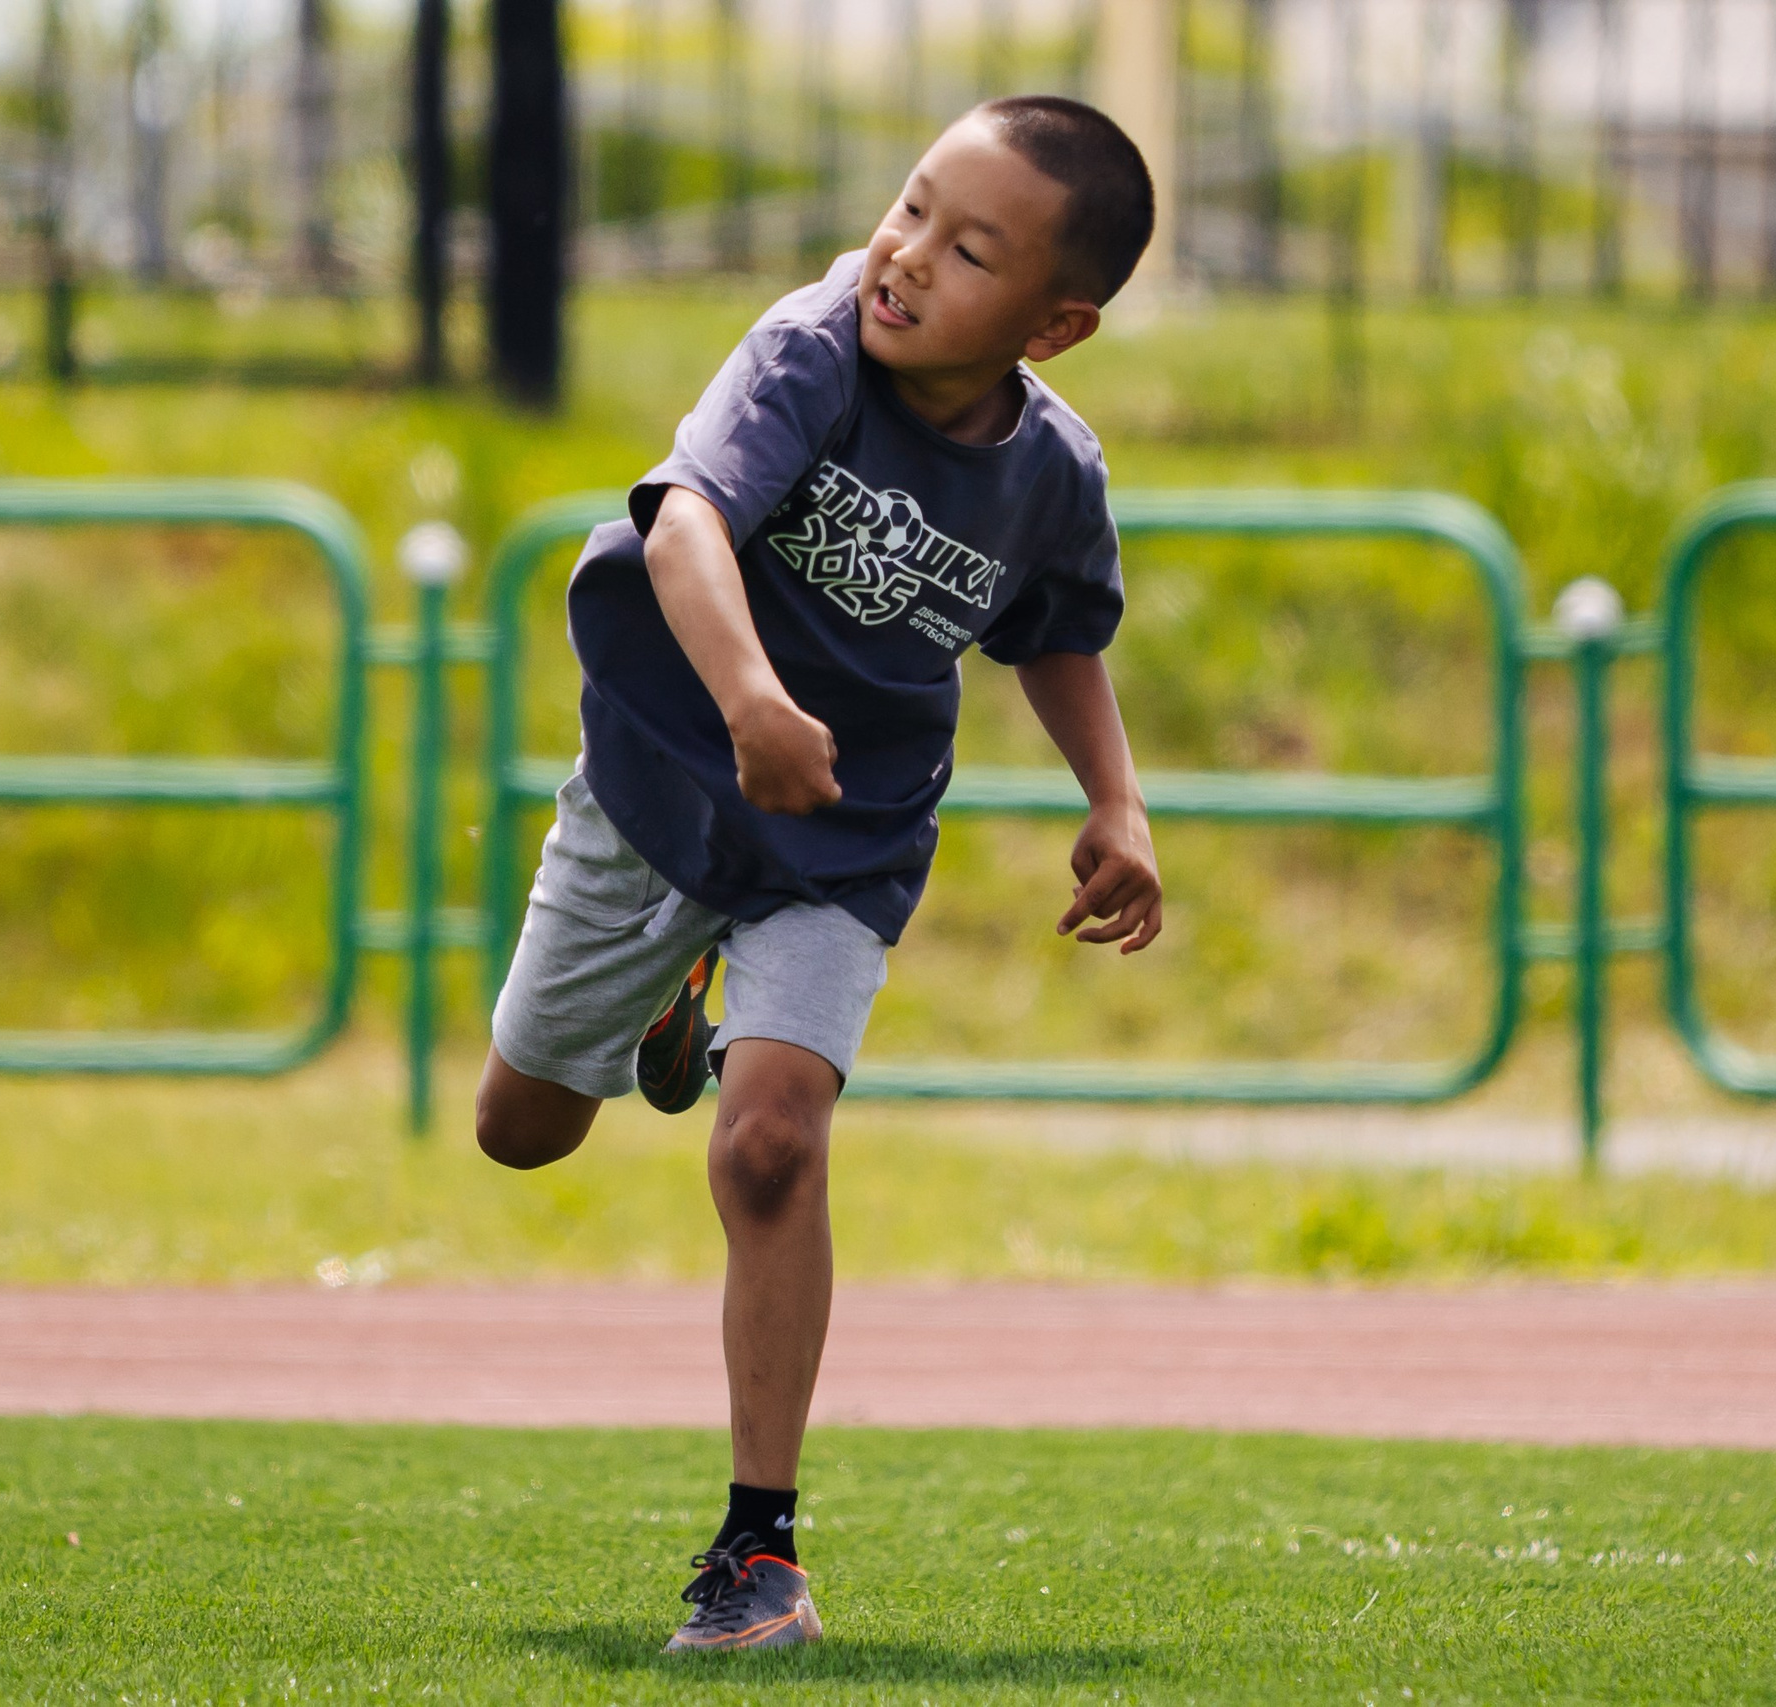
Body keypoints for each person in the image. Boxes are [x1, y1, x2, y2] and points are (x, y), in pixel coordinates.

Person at [474, 94, 1164, 1653]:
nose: (907, 256)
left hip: (844, 837)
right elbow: (686, 529)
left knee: (770, 1145)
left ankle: (756, 1551)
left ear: (1057, 325)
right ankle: (677, 992)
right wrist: (749, 705)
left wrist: (1118, 803)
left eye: (967, 247)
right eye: (910, 207)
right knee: (519, 1133)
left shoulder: (1052, 472)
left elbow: (1054, 632)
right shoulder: (812, 349)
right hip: (665, 775)